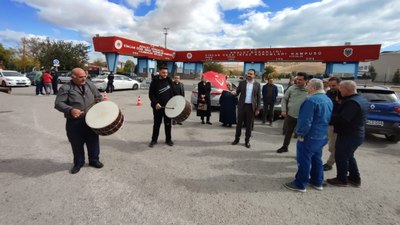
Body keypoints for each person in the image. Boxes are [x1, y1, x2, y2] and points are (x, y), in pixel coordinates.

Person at [283, 79, 333, 192]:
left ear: (313, 88)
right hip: (322, 135)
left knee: (304, 160)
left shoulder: (311, 100)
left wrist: (300, 134)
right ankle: (317, 182)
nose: (306, 87)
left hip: (309, 136)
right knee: (317, 159)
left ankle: (300, 184)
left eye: (308, 85)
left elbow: (305, 121)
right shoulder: (328, 99)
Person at [54, 68, 104, 174]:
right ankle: (78, 163)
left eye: (85, 76)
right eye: (81, 77)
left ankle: (94, 160)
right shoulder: (65, 88)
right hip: (74, 122)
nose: (84, 79)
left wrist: (99, 100)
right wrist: (70, 109)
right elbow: (58, 103)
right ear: (73, 77)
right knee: (76, 144)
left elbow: (98, 96)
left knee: (93, 141)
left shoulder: (89, 84)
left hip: (91, 120)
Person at [327, 80, 368, 187]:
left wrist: (327, 117)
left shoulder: (352, 102)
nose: (339, 91)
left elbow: (343, 119)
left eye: (341, 89)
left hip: (349, 135)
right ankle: (354, 178)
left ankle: (341, 179)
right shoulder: (359, 99)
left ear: (346, 89)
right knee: (349, 156)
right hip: (354, 134)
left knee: (341, 156)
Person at [276, 72, 308, 153]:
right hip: (290, 115)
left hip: (303, 117)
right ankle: (285, 147)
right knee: (288, 133)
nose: (298, 81)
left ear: (306, 81)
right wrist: (283, 110)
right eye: (297, 79)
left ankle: (301, 152)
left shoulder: (309, 90)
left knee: (302, 136)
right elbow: (284, 99)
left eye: (300, 80)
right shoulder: (291, 88)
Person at [231, 69, 261, 148]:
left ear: (254, 75)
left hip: (251, 107)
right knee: (239, 124)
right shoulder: (242, 83)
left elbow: (259, 98)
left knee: (249, 126)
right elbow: (237, 92)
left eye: (251, 74)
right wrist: (234, 93)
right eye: (248, 73)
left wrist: (258, 109)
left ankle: (247, 141)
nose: (249, 75)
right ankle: (236, 139)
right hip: (242, 106)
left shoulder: (257, 85)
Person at [148, 67, 176, 147]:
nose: (165, 74)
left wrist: (175, 102)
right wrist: (156, 103)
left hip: (168, 107)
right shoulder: (154, 82)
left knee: (168, 124)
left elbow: (174, 92)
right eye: (163, 72)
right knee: (157, 124)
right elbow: (151, 95)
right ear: (159, 72)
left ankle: (168, 140)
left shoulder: (169, 80)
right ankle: (154, 140)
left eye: (166, 73)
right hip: (158, 108)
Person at [323, 77, 342, 171]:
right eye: (330, 85)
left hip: (335, 124)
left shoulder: (343, 94)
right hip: (326, 122)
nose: (331, 87)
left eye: (333, 85)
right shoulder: (329, 93)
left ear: (339, 84)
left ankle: (330, 163)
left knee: (332, 147)